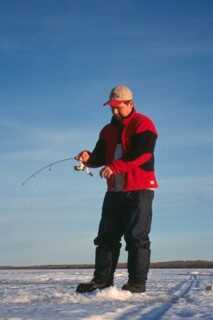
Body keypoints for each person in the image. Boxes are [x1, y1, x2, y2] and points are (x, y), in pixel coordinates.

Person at [75, 85, 158, 293]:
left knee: (137, 237)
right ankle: (101, 281)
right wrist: (88, 158)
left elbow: (143, 154)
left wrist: (115, 166)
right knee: (106, 237)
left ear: (130, 104)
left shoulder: (143, 123)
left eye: (117, 107)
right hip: (114, 191)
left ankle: (136, 284)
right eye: (110, 107)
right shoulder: (107, 130)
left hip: (139, 189)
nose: (113, 111)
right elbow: (100, 156)